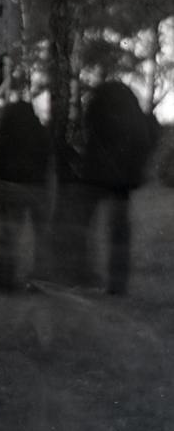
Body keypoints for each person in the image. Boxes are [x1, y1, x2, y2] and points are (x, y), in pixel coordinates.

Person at [56, 81, 159, 295]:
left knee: (83, 225)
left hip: (96, 176)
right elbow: (144, 143)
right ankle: (117, 285)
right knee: (119, 231)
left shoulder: (100, 103)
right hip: (121, 181)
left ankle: (82, 276)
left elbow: (87, 129)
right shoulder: (133, 112)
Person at [0, 100, 52, 293]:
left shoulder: (6, 132)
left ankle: (5, 283)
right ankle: (41, 281)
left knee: (9, 238)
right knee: (42, 238)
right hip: (38, 187)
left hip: (12, 186)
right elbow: (47, 157)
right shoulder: (40, 132)